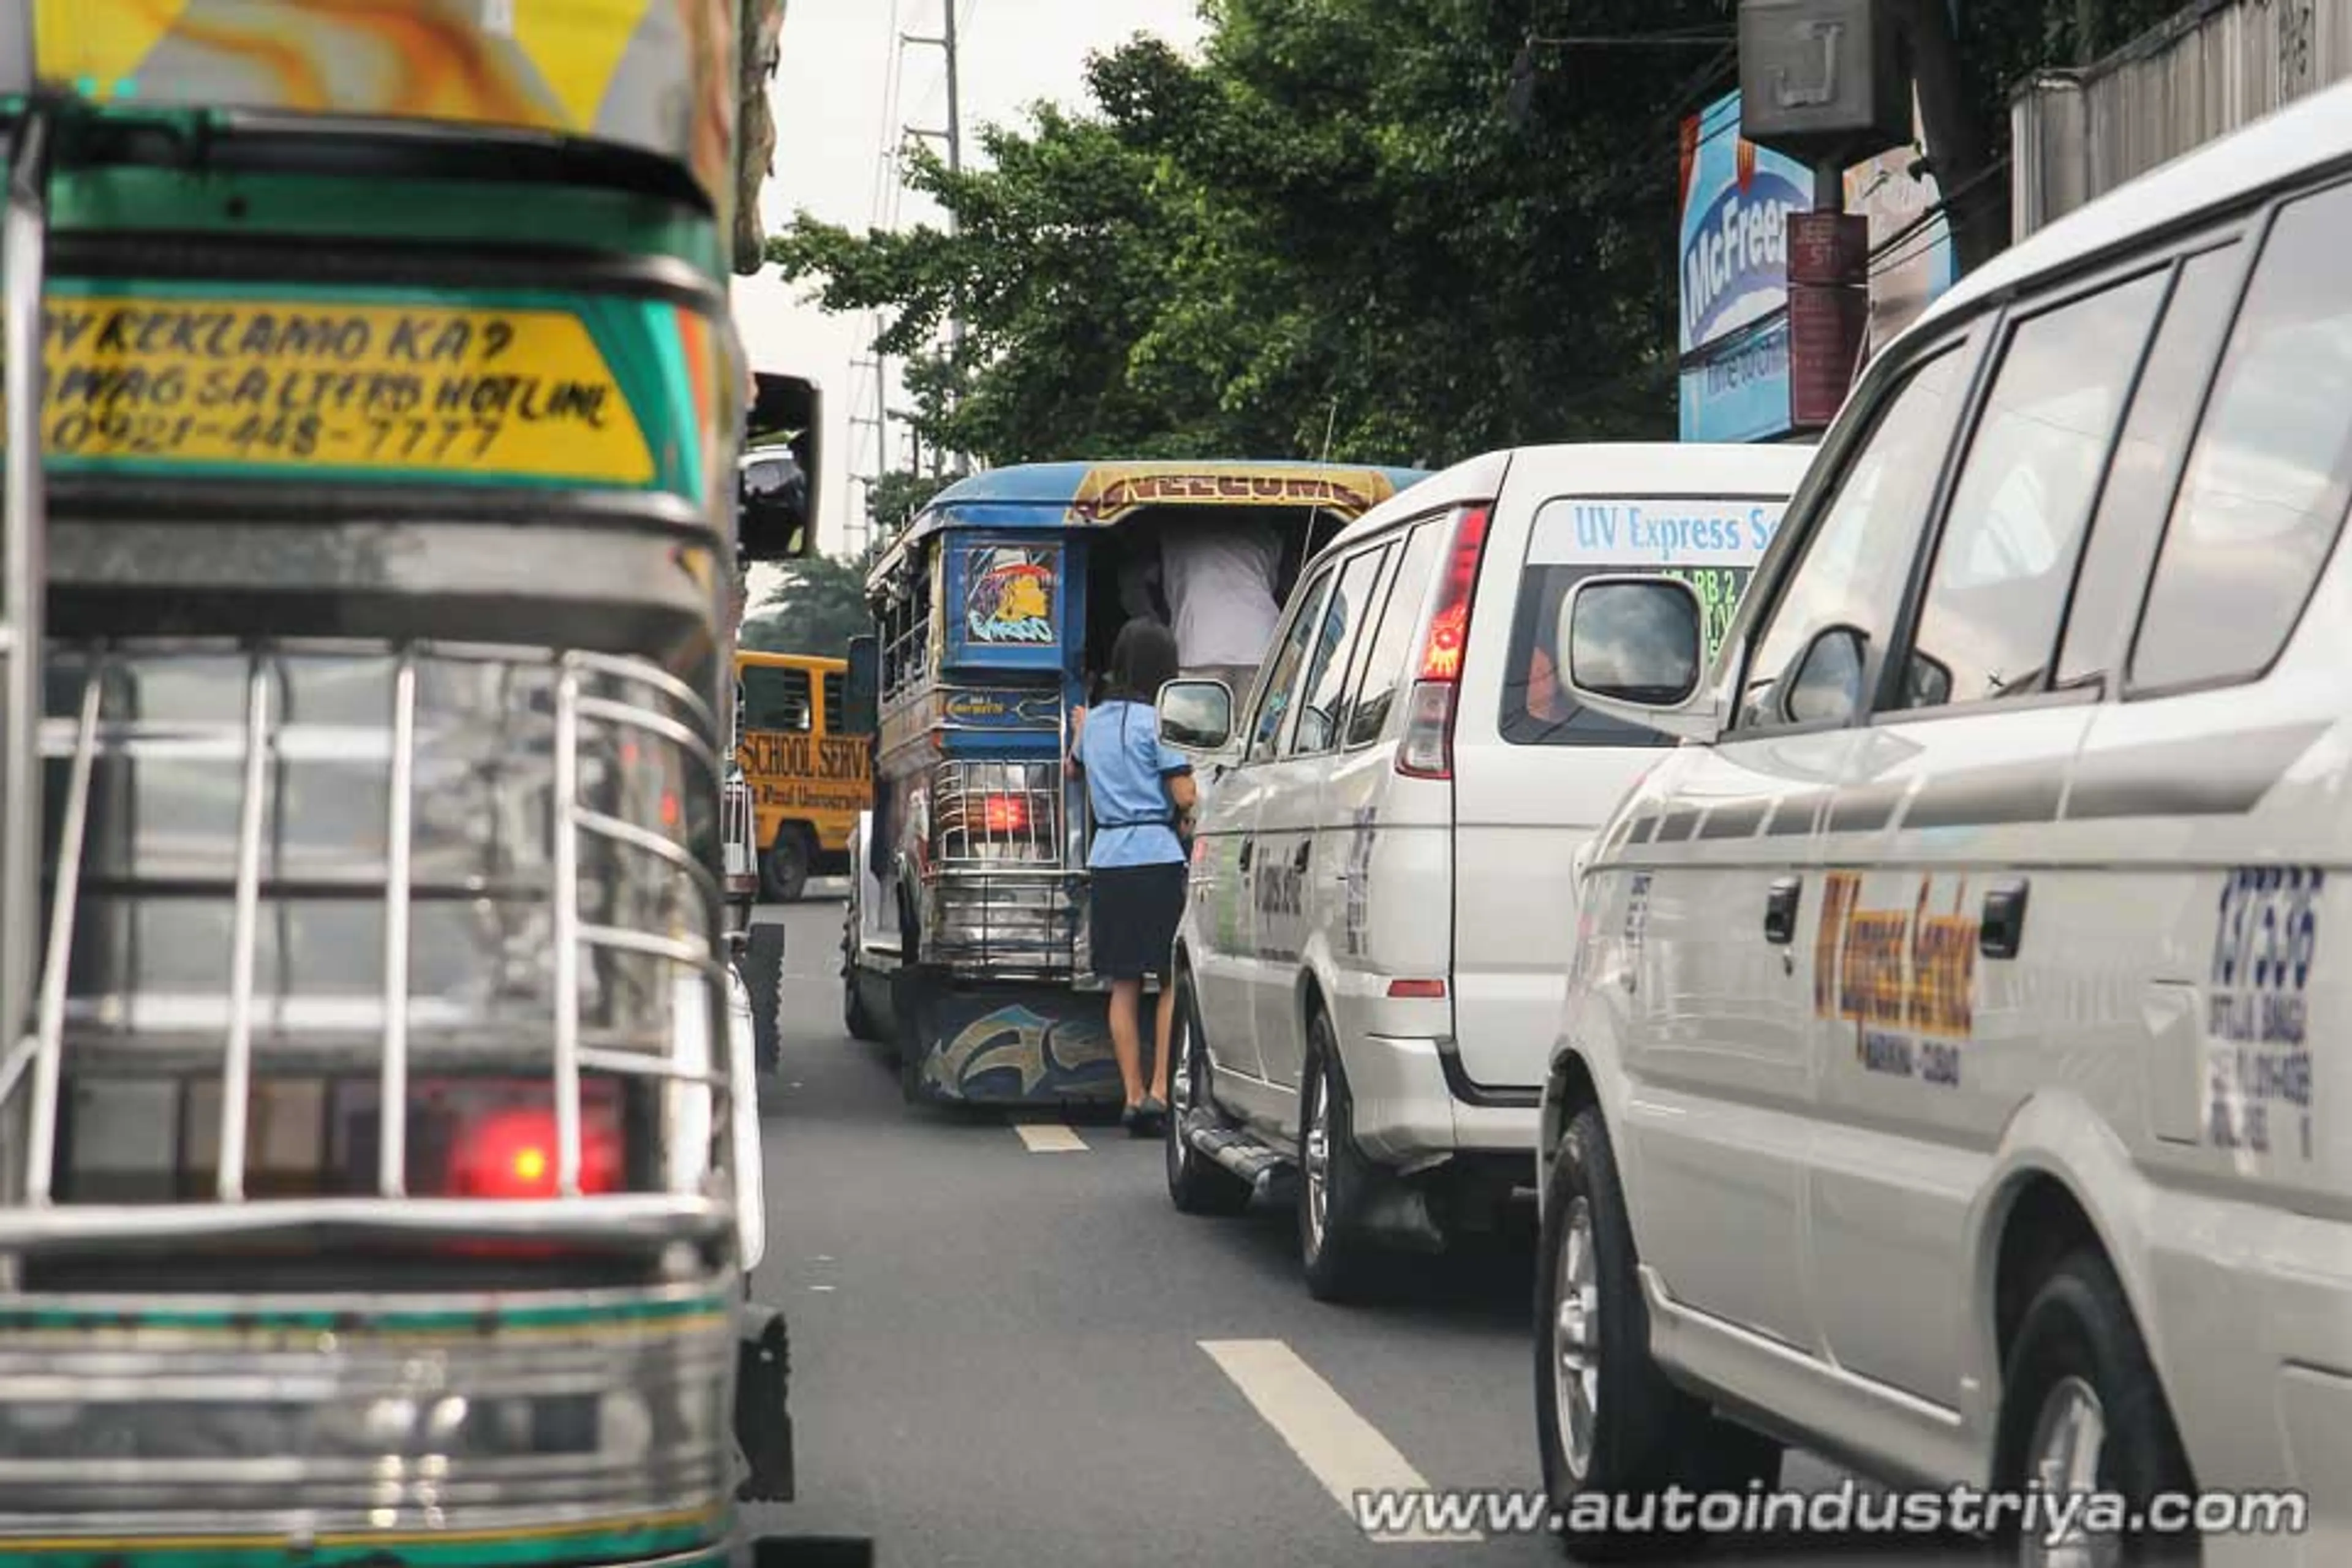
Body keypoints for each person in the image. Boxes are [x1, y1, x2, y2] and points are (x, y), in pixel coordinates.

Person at [1068, 618, 1197, 1134]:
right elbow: (1184, 795)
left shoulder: (1095, 722)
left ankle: (1131, 1094)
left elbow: (1073, 769)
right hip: (1157, 854)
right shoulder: (1159, 721)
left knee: (1122, 983)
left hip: (1108, 858)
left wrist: (1081, 730)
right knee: (1168, 980)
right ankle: (1162, 1094)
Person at [1159, 516, 1284, 695]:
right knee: (1256, 720)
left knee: (1198, 722)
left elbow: (1136, 584)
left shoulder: (1174, 533)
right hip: (1260, 642)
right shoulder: (1264, 535)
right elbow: (1271, 584)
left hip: (1198, 646)